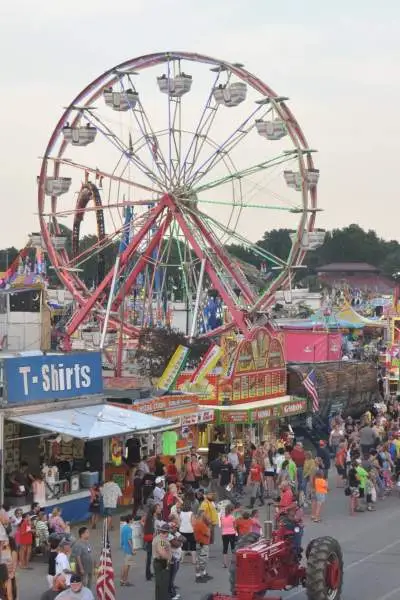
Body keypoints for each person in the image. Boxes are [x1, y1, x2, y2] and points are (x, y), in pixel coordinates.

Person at [152, 522, 172, 600]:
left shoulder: (157, 538)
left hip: (158, 562)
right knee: (163, 585)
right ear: (166, 532)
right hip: (162, 563)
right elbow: (161, 551)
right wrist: (168, 558)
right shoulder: (162, 540)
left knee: (159, 585)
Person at [168, 520, 184, 600]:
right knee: (170, 577)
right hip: (172, 559)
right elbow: (177, 544)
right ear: (170, 528)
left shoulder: (176, 534)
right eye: (173, 527)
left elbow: (184, 539)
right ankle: (171, 594)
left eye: (175, 527)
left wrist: (178, 539)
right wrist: (179, 542)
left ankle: (172, 592)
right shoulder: (169, 535)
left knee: (172, 577)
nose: (175, 529)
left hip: (177, 558)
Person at [193, 511, 211, 583]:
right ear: (202, 515)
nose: (206, 516)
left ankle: (203, 574)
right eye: (205, 514)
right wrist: (209, 527)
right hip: (202, 544)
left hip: (200, 543)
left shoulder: (200, 523)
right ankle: (198, 576)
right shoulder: (201, 524)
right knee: (202, 560)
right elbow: (208, 534)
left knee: (201, 560)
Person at [142, 504, 157, 581]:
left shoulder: (149, 517)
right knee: (149, 557)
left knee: (149, 556)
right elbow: (151, 529)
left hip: (148, 537)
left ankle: (148, 573)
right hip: (150, 538)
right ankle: (148, 574)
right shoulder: (150, 518)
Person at [179, 500, 196, 565]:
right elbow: (193, 523)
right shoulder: (191, 513)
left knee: (183, 546)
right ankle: (193, 560)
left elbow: (180, 522)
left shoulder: (181, 513)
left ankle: (182, 560)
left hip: (183, 531)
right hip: (190, 531)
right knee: (192, 545)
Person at [120, 515, 135, 587]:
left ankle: (122, 580)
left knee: (125, 564)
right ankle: (125, 580)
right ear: (130, 520)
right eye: (132, 519)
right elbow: (129, 540)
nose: (133, 520)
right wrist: (132, 549)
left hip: (124, 547)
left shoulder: (123, 528)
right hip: (128, 548)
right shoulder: (129, 529)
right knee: (127, 565)